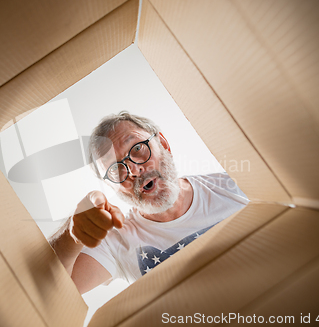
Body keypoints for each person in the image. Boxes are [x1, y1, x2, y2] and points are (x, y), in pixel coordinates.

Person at [48, 112, 249, 294]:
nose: (134, 171)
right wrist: (71, 234)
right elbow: (55, 294)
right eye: (116, 170)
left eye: (137, 148)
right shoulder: (116, 242)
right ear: (112, 187)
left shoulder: (238, 185)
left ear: (163, 143)